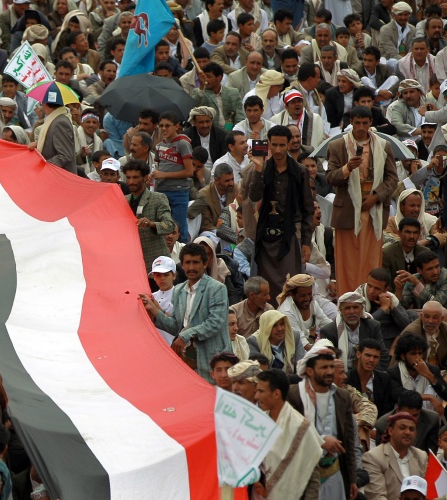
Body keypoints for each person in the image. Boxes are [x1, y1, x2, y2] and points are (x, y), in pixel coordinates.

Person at [285, 341, 358, 500]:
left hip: (334, 472)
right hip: (304, 474)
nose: (329, 372)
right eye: (323, 367)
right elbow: (288, 432)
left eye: (331, 367)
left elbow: (348, 441)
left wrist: (352, 478)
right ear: (309, 370)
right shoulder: (294, 395)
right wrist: (320, 440)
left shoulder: (342, 396)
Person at [248, 369, 323, 500]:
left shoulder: (300, 426)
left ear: (276, 394)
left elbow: (312, 475)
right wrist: (257, 481)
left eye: (261, 391)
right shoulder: (258, 421)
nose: (256, 396)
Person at [326, 106, 400, 294]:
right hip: (348, 211)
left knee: (371, 259)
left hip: (373, 210)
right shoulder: (337, 145)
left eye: (364, 123)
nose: (360, 127)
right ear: (351, 122)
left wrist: (376, 196)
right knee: (347, 262)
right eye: (357, 123)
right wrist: (347, 168)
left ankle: (370, 299)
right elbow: (330, 178)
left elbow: (392, 179)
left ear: (370, 123)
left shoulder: (383, 145)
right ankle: (348, 300)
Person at [240, 124, 314, 301]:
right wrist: (258, 167)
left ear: (289, 144)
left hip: (290, 235)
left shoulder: (300, 171)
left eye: (282, 145)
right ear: (268, 145)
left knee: (290, 284)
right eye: (274, 145)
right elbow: (254, 196)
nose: (278, 150)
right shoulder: (263, 168)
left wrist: (306, 241)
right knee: (265, 286)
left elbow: (307, 208)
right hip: (265, 235)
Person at [140, 243, 231, 383]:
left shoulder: (217, 288)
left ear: (205, 264)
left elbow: (215, 323)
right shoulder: (179, 291)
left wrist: (185, 336)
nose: (191, 267)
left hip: (215, 360)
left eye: (196, 262)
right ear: (181, 265)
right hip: (187, 360)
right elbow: (176, 326)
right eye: (187, 262)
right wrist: (153, 309)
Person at [362, 411, 427, 500]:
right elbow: (377, 497)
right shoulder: (373, 457)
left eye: (411, 429)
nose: (407, 432)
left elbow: (426, 491)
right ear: (391, 431)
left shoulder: (421, 456)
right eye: (402, 428)